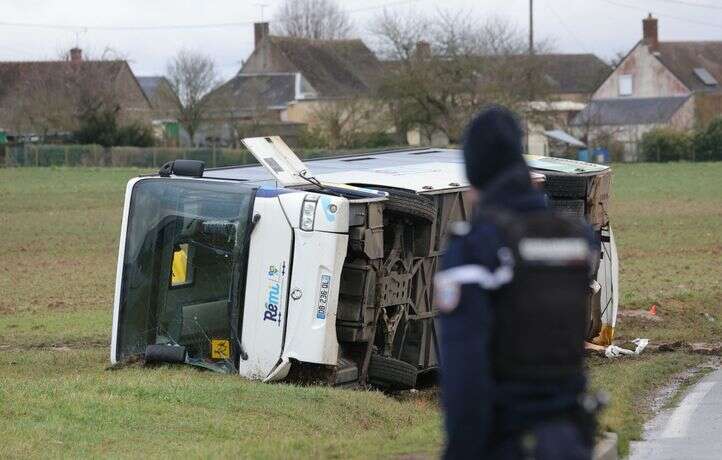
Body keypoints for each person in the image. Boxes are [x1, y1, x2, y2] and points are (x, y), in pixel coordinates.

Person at [435, 106, 601, 459]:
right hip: (568, 440)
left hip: (507, 441)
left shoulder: (476, 249)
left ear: (475, 172)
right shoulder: (577, 239)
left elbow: (466, 377)